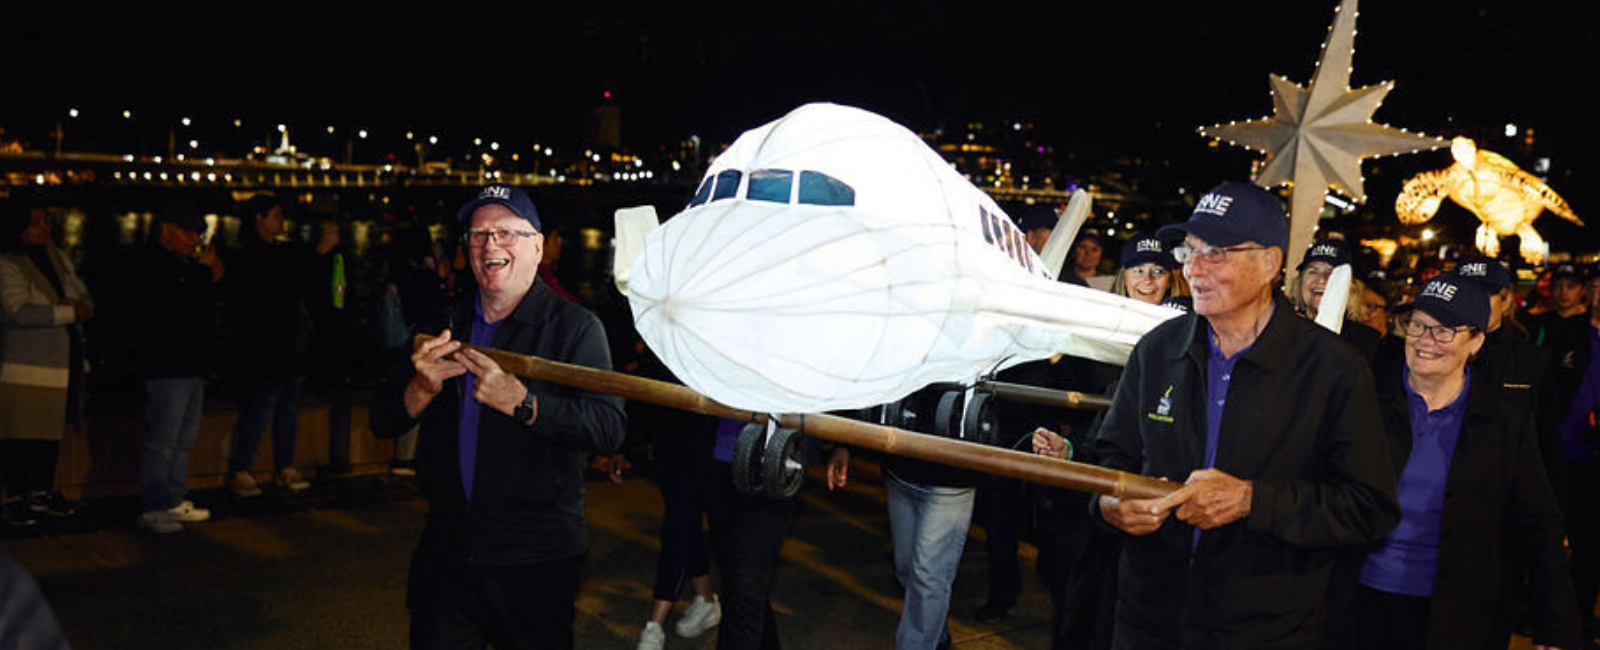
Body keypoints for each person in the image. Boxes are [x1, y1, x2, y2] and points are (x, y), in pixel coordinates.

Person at [1090, 182, 1398, 649]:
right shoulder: (1158, 350)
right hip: (1148, 620)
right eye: (1189, 251)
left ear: (1270, 263)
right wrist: (1109, 504)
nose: (1193, 269)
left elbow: (1368, 508)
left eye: (1216, 253)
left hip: (1267, 631)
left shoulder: (1332, 368)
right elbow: (1110, 457)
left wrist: (1253, 501)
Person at [369, 184, 626, 650]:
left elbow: (608, 429)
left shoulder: (576, 328)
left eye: (507, 232)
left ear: (537, 246)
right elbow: (383, 420)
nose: (491, 244)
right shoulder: (442, 322)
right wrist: (420, 388)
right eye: (479, 234)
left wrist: (526, 404)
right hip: (448, 548)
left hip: (535, 557)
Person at [1343, 274, 1580, 650]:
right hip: (1357, 601)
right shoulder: (1362, 399)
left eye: (1443, 331)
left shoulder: (1504, 422)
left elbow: (1540, 524)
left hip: (1455, 612)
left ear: (1476, 342)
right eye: (1417, 325)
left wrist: (1557, 624)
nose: (1424, 340)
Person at [224, 194, 338, 497]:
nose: (281, 220)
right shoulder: (251, 254)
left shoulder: (281, 251)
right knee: (261, 409)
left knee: (286, 409)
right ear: (259, 219)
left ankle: (283, 466)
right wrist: (320, 252)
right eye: (275, 215)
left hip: (292, 345)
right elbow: (279, 284)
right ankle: (242, 469)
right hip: (267, 347)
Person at [130, 200, 223, 534]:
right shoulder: (153, 262)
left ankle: (171, 498)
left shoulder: (183, 264)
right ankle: (154, 506)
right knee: (164, 439)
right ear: (166, 230)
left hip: (190, 363)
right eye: (188, 232)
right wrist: (206, 273)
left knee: (182, 439)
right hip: (167, 365)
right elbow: (172, 305)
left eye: (197, 233)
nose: (194, 239)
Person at [0, 202, 92, 527]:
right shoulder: (7, 263)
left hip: (60, 363)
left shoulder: (58, 257)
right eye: (36, 223)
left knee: (50, 432)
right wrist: (69, 312)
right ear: (18, 229)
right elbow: (18, 312)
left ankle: (41, 492)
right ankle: (15, 498)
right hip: (24, 365)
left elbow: (83, 296)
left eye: (44, 221)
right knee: (19, 434)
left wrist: (79, 307)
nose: (45, 228)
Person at [1291, 238, 1381, 361]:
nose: (1321, 279)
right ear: (1300, 282)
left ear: (1350, 287)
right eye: (1313, 271)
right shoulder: (1284, 330)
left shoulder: (1366, 341)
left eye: (1332, 273)